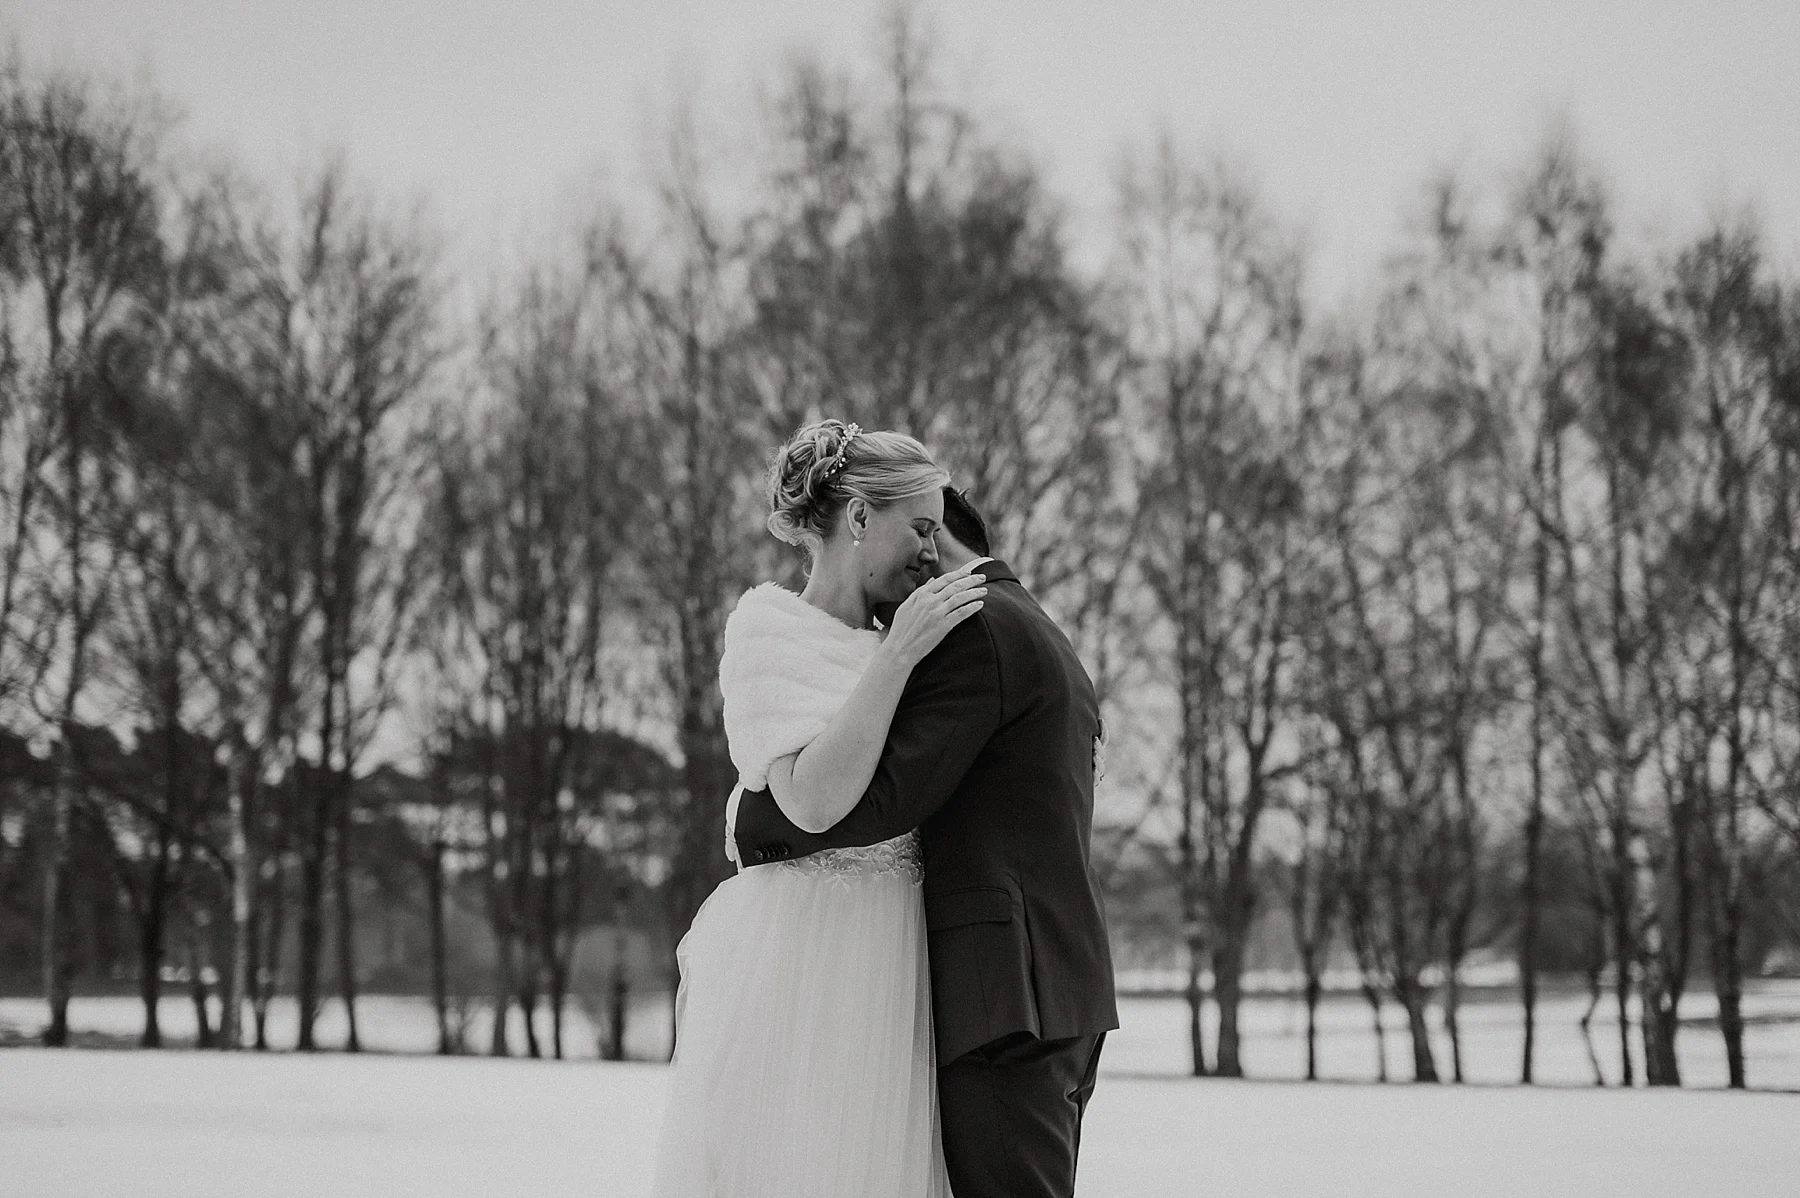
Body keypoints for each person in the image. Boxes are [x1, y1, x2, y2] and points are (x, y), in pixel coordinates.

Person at [734, 479, 1119, 1196]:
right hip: (1054, 988)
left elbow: (885, 799)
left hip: (1005, 997)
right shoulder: (1032, 622)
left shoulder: (974, 627)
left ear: (928, 539)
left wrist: (752, 820)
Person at [650, 419, 980, 1198]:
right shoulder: (769, 632)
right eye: (922, 528)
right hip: (801, 960)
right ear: (860, 518)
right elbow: (813, 800)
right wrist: (897, 658)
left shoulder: (907, 637)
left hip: (896, 961)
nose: (934, 552)